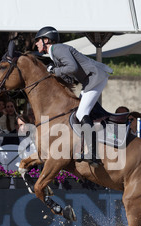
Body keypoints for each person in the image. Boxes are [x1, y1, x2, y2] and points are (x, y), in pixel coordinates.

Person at [34, 26, 113, 166]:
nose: (36, 43)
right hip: (91, 79)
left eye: (38, 40)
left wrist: (55, 70)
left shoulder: (57, 49)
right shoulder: (55, 53)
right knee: (84, 109)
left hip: (95, 77)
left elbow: (72, 68)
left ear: (46, 40)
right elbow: (70, 75)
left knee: (82, 113)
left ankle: (93, 154)